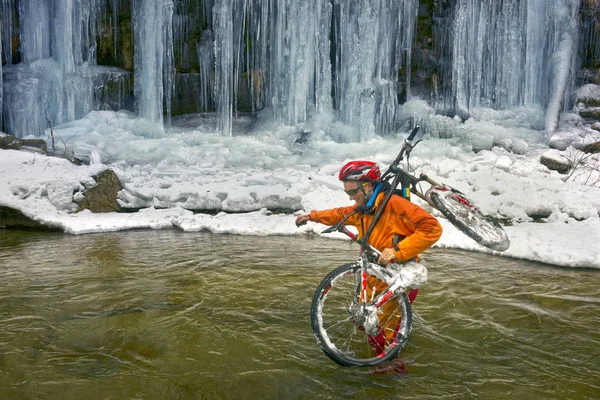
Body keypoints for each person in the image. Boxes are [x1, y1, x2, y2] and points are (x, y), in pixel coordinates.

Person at [296, 160, 443, 353]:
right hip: (374, 276)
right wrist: (312, 216)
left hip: (397, 277)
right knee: (362, 321)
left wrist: (397, 251)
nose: (350, 198)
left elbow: (432, 228)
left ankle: (392, 373)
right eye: (346, 192)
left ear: (368, 186)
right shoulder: (363, 209)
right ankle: (391, 347)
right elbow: (339, 214)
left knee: (382, 336)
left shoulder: (394, 205)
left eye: (352, 191)